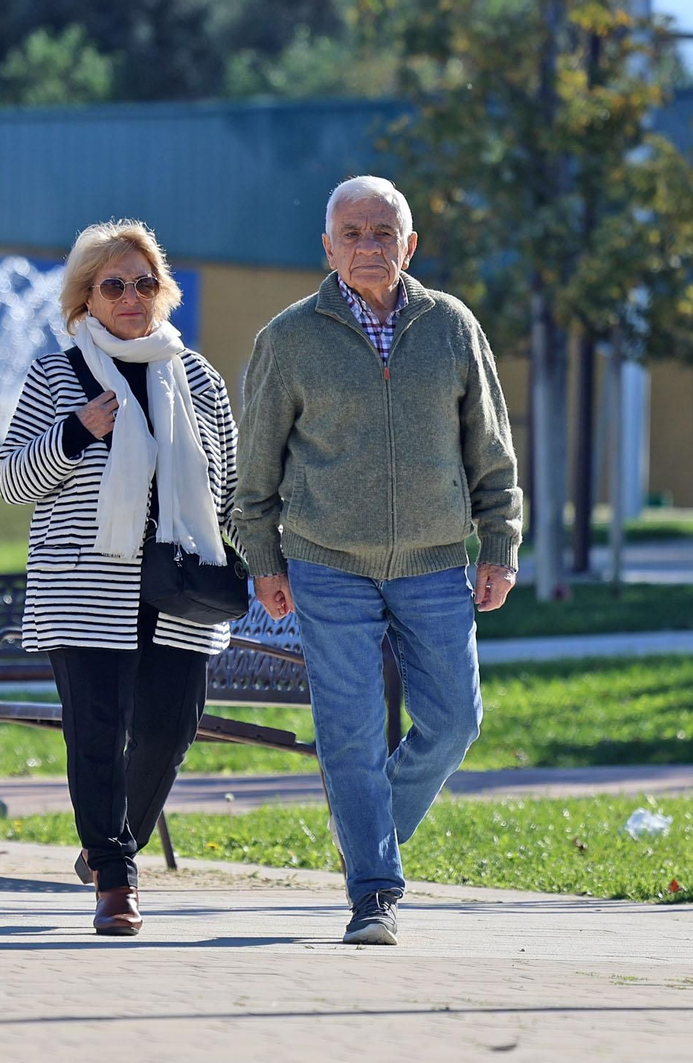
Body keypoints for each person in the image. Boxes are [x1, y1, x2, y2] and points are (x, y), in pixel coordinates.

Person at [232, 176, 523, 945]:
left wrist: (499, 542)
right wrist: (263, 558)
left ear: (410, 243)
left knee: (456, 720)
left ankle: (368, 833)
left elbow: (491, 452)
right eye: (353, 234)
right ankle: (374, 892)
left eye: (383, 232)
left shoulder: (452, 326)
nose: (369, 246)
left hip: (433, 562)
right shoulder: (289, 338)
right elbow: (253, 471)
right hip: (327, 561)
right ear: (328, 247)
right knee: (351, 732)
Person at [0, 220, 241, 936]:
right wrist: (75, 433)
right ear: (86, 299)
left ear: (162, 291)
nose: (131, 296)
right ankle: (115, 875)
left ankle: (110, 838)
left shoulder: (198, 378)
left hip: (180, 588)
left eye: (143, 282)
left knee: (169, 727)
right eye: (113, 284)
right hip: (86, 587)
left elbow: (226, 485)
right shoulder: (56, 374)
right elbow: (12, 482)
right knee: (97, 733)